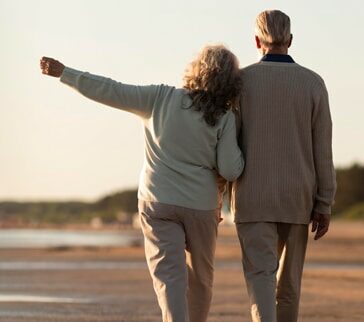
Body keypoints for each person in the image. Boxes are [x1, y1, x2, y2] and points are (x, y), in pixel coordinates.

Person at [40, 45, 244, 322]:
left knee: (170, 278)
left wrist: (66, 73)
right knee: (201, 278)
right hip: (201, 206)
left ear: (197, 69)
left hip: (157, 200)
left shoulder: (160, 97)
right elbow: (231, 170)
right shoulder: (224, 115)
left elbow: (111, 90)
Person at [231, 10, 337, 322]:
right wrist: (325, 202)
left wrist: (217, 191)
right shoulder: (313, 83)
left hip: (252, 198)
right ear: (290, 40)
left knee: (261, 279)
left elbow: (227, 144)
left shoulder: (240, 82)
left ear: (256, 40)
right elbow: (323, 150)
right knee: (289, 285)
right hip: (298, 199)